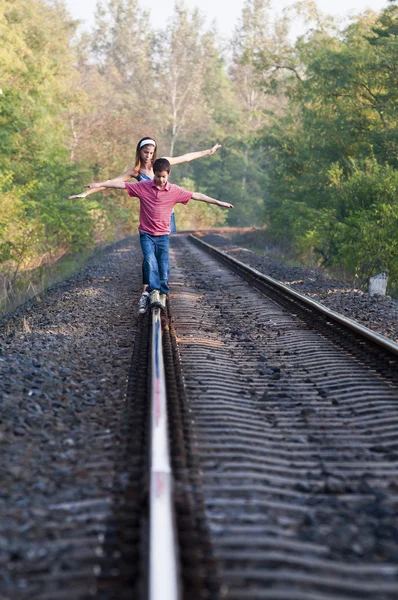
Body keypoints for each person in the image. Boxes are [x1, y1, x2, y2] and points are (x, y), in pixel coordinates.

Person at [69, 137, 222, 313]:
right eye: (145, 152)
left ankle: (159, 290)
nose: (148, 156)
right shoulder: (134, 171)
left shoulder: (162, 163)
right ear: (139, 152)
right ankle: (146, 291)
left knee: (161, 255)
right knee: (149, 257)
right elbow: (112, 183)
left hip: (166, 215)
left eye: (151, 152)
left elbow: (186, 157)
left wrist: (208, 152)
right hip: (149, 216)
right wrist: (87, 193)